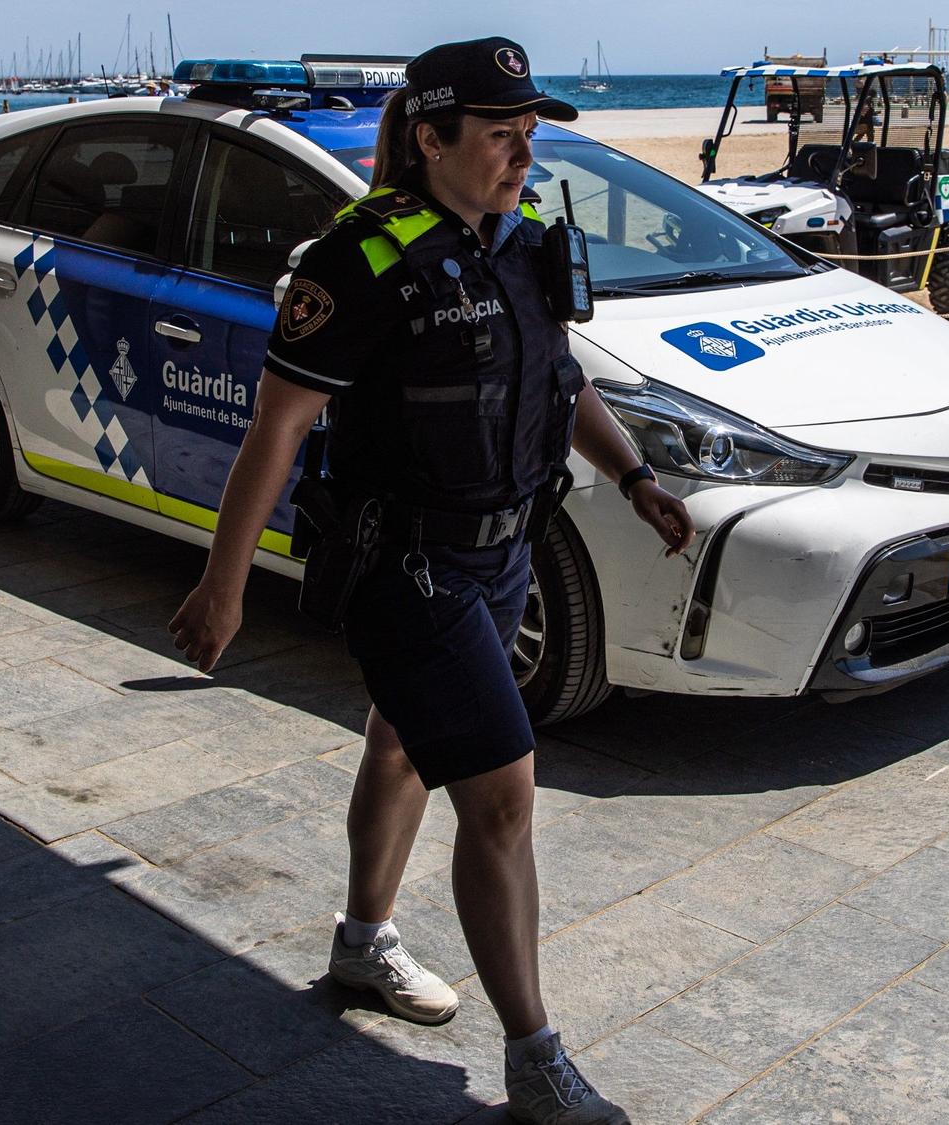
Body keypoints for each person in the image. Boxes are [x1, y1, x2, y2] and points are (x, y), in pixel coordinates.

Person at [167, 36, 693, 1125]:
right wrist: (224, 584)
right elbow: (278, 425)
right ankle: (537, 1058)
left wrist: (635, 476)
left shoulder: (520, 239)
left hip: (501, 551)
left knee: (403, 738)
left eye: (529, 128)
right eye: (501, 132)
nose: (524, 149)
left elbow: (558, 379)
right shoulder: (354, 262)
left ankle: (362, 946)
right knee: (501, 794)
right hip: (403, 564)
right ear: (430, 138)